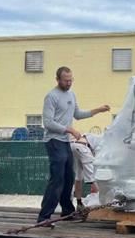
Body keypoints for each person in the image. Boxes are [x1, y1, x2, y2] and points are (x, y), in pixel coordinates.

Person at [38, 66, 110, 225]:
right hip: (54, 140)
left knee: (69, 178)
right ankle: (44, 217)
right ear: (57, 80)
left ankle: (68, 211)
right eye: (66, 80)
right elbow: (48, 122)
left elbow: (77, 114)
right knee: (57, 179)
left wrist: (98, 110)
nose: (69, 83)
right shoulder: (51, 97)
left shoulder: (71, 95)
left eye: (71, 80)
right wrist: (69, 129)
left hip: (65, 141)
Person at [71, 133, 98, 213]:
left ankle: (79, 203)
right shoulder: (102, 141)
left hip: (72, 145)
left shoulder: (92, 136)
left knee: (78, 177)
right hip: (82, 147)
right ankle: (101, 201)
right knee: (94, 177)